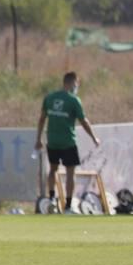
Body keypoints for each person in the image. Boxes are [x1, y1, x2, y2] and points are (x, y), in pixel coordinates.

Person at [35, 71, 100, 213]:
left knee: (53, 170)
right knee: (70, 173)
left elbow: (41, 119)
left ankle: (51, 198)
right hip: (67, 142)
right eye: (76, 84)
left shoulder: (50, 98)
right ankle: (68, 205)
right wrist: (94, 137)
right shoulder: (73, 100)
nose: (76, 87)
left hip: (52, 141)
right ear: (71, 83)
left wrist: (38, 139)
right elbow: (83, 121)